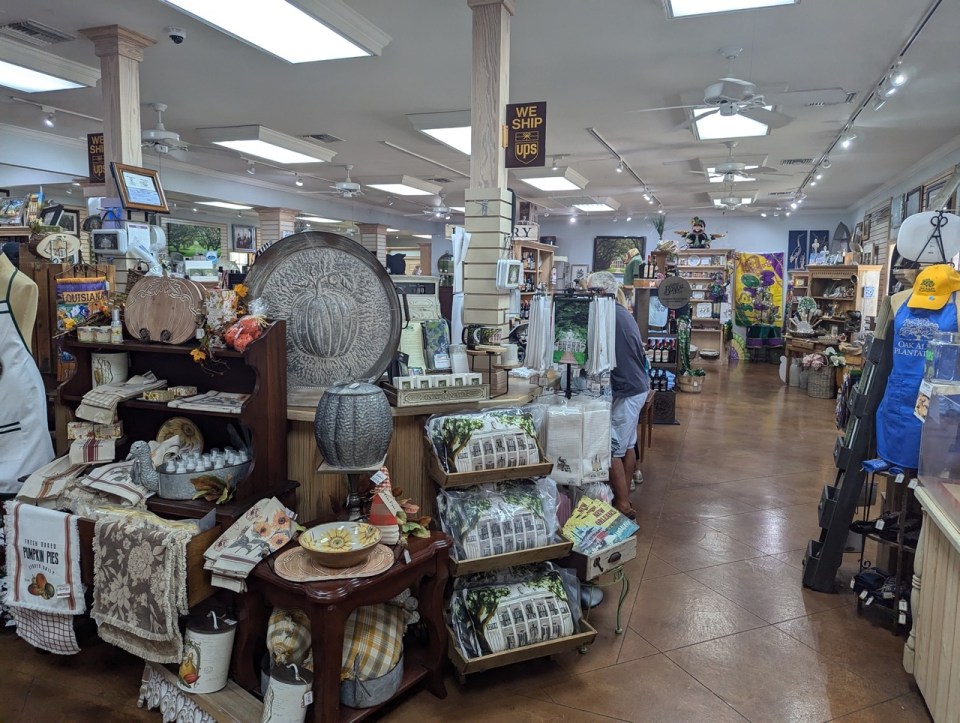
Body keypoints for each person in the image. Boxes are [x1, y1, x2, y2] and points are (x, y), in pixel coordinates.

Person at [586, 271, 649, 519]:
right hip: (635, 386)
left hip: (629, 389)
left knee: (610, 447)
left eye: (589, 291)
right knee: (627, 443)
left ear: (599, 293)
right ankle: (624, 492)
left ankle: (623, 505)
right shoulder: (620, 311)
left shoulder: (607, 314)